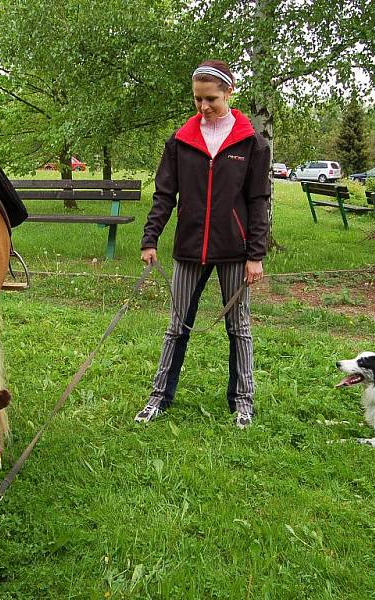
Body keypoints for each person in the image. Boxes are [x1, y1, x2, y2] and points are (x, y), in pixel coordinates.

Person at [136, 59, 270, 429]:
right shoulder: (179, 142)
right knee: (177, 326)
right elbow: (165, 194)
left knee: (238, 328)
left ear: (229, 93)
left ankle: (243, 402)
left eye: (211, 98)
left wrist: (255, 254)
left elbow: (258, 201)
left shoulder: (251, 144)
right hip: (189, 249)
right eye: (197, 99)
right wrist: (151, 238)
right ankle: (159, 398)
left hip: (235, 251)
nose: (203, 107)